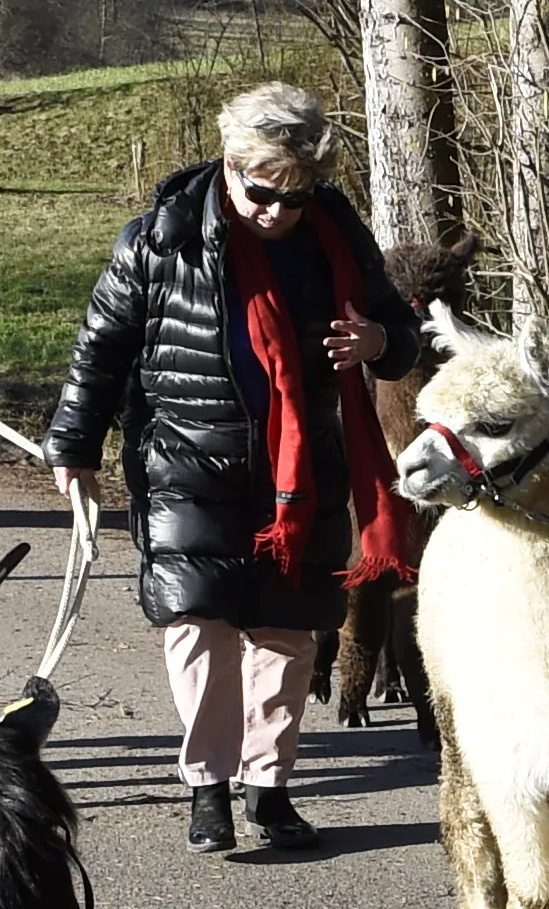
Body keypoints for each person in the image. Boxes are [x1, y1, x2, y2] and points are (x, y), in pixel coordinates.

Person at [46, 82, 427, 857]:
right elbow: (102, 348)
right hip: (185, 457)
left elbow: (402, 333)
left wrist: (378, 347)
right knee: (199, 626)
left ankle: (270, 789)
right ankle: (207, 789)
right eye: (263, 194)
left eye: (297, 196)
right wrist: (73, 446)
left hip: (303, 468)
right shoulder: (161, 238)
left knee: (286, 635)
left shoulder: (338, 238)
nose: (278, 212)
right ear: (231, 163)